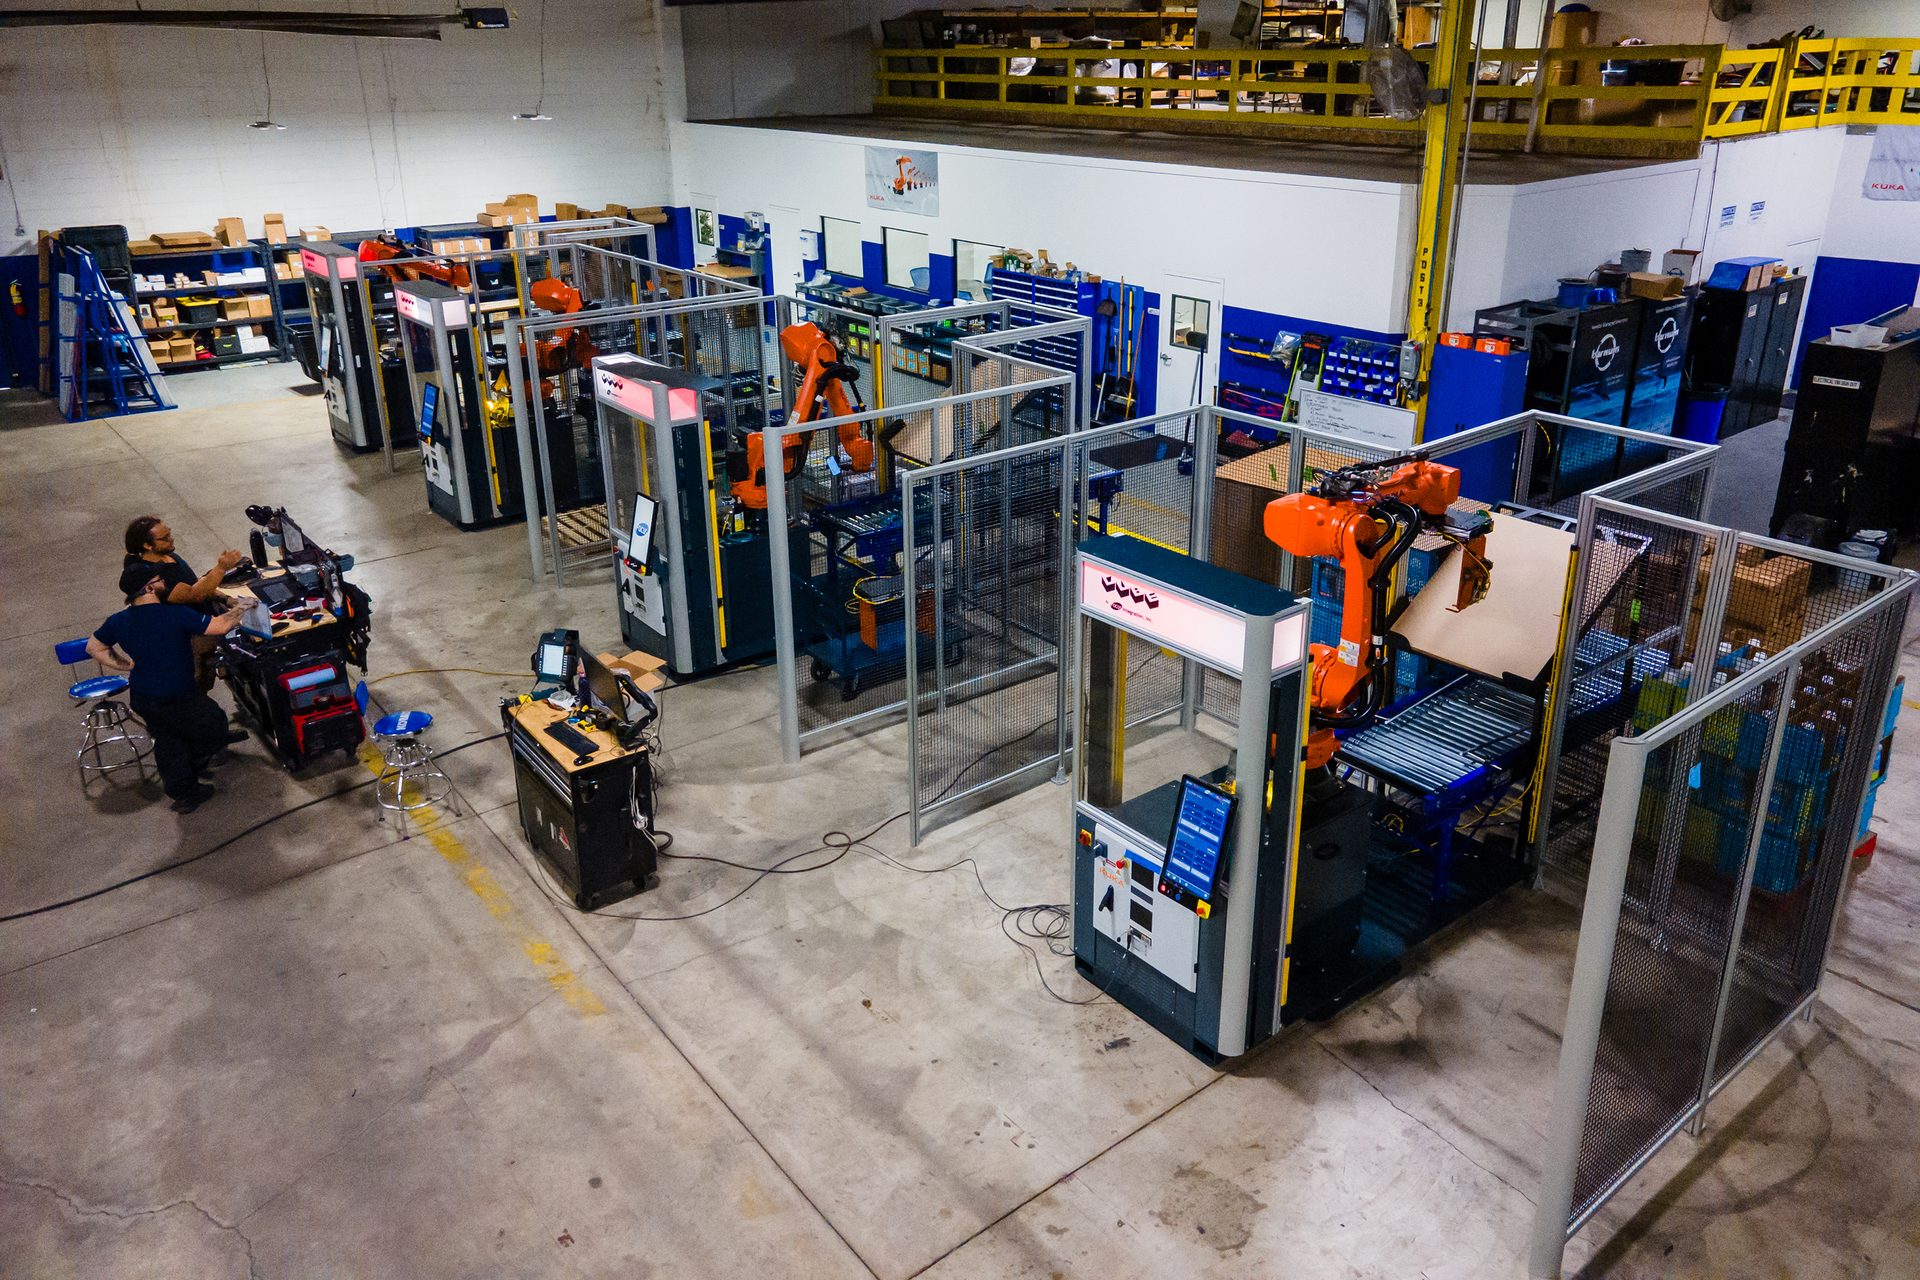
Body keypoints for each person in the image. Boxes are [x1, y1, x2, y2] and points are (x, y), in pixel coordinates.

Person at [88, 573, 249, 814]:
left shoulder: (119, 621)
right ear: (149, 587)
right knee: (214, 725)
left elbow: (94, 647)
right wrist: (244, 606)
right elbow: (221, 625)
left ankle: (184, 794)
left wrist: (126, 665)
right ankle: (192, 766)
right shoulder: (174, 614)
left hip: (144, 696)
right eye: (160, 580)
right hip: (178, 693)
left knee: (168, 741)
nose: (165, 583)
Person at [120, 515, 244, 692]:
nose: (171, 539)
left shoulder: (170, 557)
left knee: (206, 679)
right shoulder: (152, 578)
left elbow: (197, 583)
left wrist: (225, 598)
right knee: (194, 685)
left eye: (169, 533)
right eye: (164, 538)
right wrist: (221, 568)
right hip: (188, 643)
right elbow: (195, 594)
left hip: (203, 632)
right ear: (147, 545)